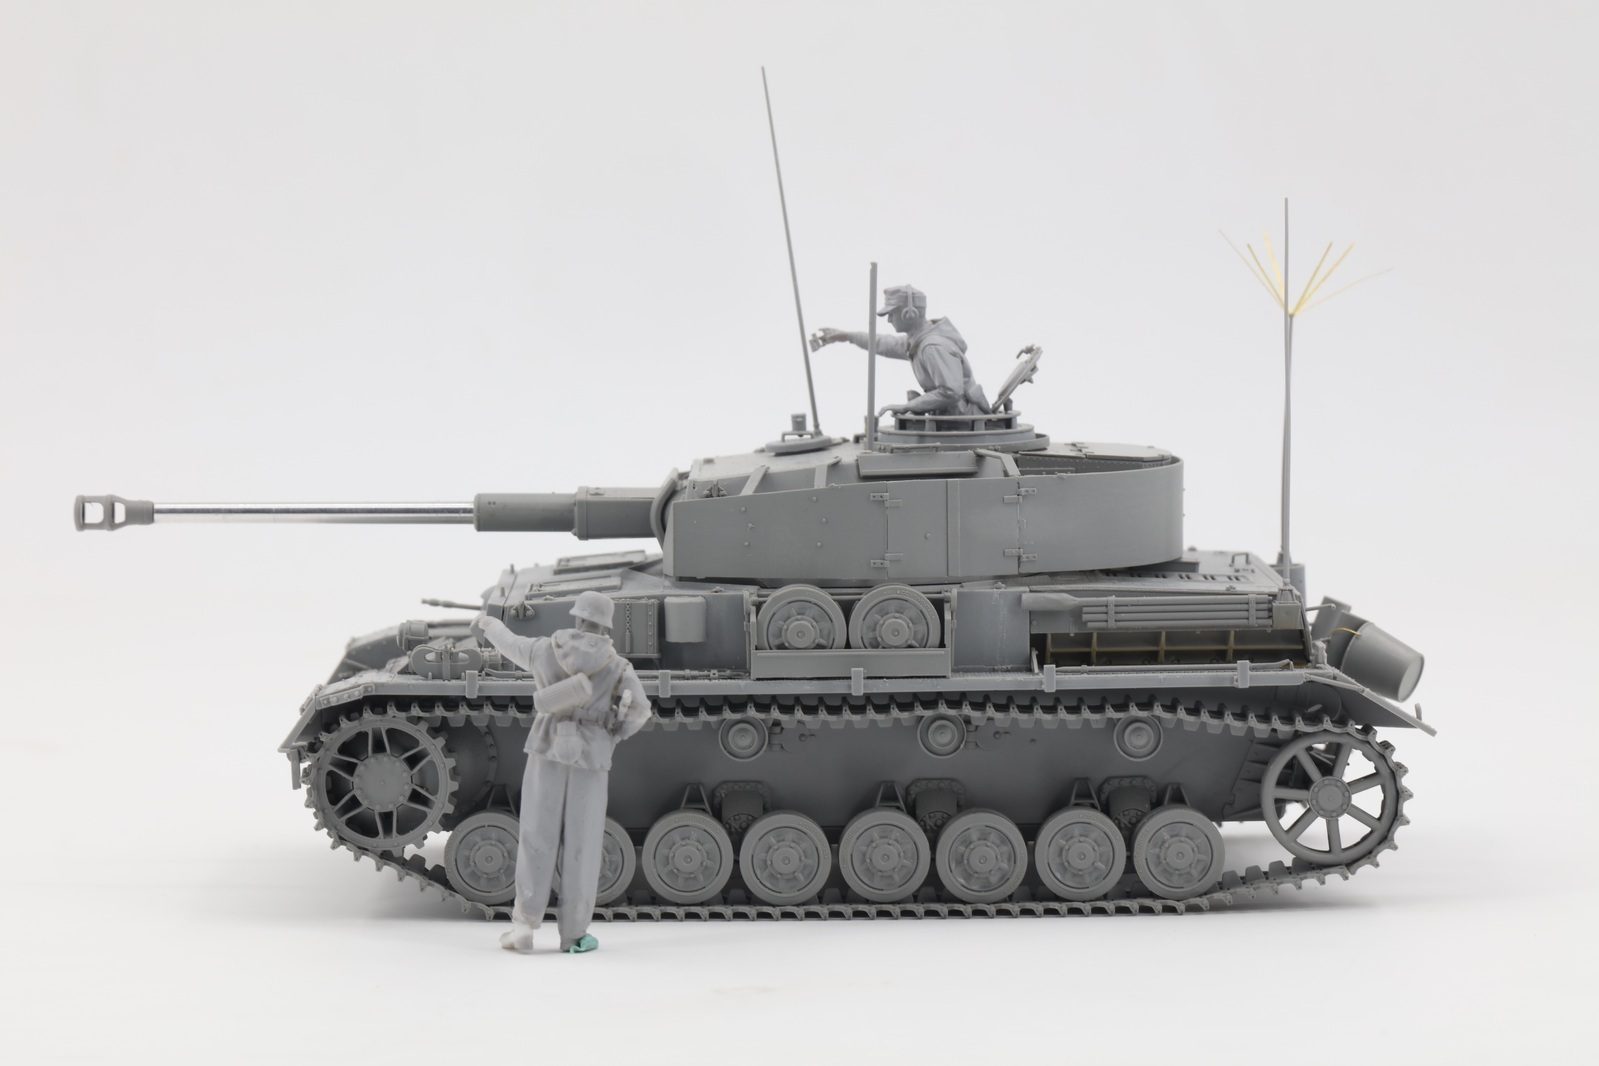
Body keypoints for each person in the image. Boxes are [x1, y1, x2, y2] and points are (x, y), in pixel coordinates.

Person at [474, 590, 651, 955]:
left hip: (547, 747)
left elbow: (509, 643)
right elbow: (640, 711)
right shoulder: (618, 666)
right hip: (592, 755)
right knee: (583, 844)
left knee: (536, 835)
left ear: (577, 617)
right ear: (605, 625)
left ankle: (523, 928)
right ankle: (573, 935)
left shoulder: (543, 650)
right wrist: (613, 734)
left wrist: (488, 623)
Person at [813, 284, 991, 418]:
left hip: (963, 421)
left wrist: (908, 406)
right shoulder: (918, 341)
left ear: (909, 313)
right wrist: (847, 336)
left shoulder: (932, 347)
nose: (889, 320)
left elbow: (951, 391)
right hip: (951, 419)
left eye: (892, 314)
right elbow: (884, 343)